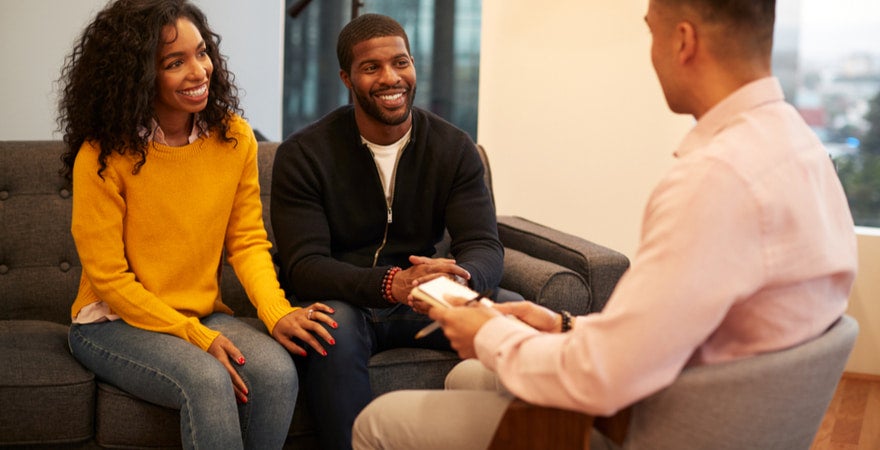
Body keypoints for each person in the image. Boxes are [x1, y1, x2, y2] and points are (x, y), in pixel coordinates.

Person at [351, 0, 859, 449]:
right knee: (467, 378)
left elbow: (603, 379)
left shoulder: (715, 180)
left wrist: (485, 331)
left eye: (651, 31)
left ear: (683, 40)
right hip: (718, 407)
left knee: (378, 421)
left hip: (653, 423)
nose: (652, 51)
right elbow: (691, 326)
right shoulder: (801, 148)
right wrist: (562, 324)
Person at [58, 1, 334, 448]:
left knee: (278, 373)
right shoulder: (103, 155)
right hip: (111, 322)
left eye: (201, 52)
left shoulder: (234, 137)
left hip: (199, 312)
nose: (198, 70)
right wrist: (194, 335)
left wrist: (275, 311)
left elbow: (246, 242)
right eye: (174, 62)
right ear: (138, 75)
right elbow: (109, 278)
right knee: (207, 381)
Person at [270, 13, 505, 450]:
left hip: (425, 299)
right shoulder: (304, 154)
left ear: (414, 64)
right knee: (329, 328)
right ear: (347, 78)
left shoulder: (455, 149)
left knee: (514, 313)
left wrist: (462, 278)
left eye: (400, 62)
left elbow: (483, 244)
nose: (390, 78)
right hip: (349, 299)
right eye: (371, 67)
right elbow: (305, 265)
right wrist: (389, 283)